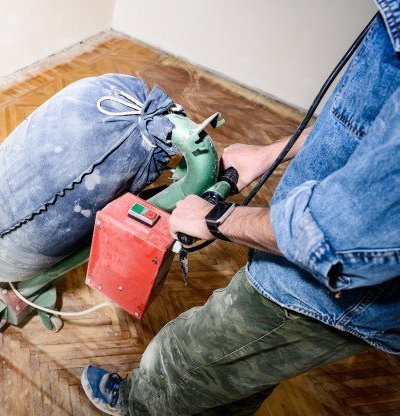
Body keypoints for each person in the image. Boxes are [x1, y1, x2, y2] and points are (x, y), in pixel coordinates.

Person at [81, 6, 400, 416]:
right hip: (326, 270)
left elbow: (340, 236)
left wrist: (215, 219)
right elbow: (363, 124)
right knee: (245, 369)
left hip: (330, 289)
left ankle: (135, 406)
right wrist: (271, 152)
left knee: (184, 358)